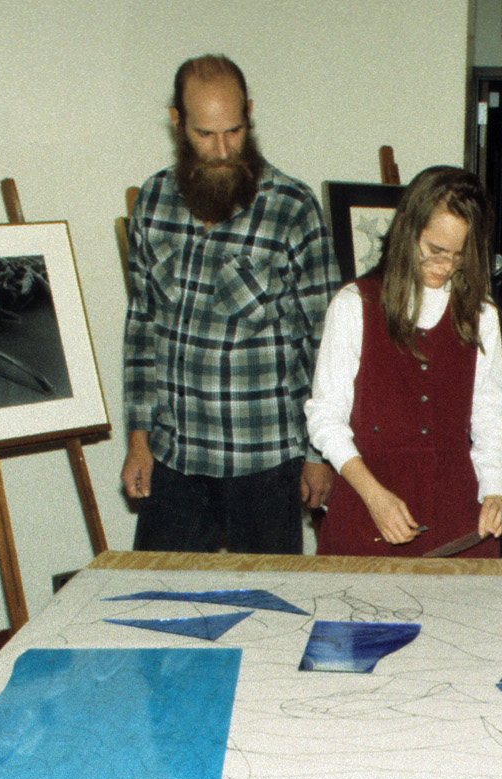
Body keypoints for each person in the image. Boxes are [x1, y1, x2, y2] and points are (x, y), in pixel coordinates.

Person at [120, 54, 339, 553]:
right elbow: (141, 330)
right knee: (157, 596)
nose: (222, 151)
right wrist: (139, 439)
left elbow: (325, 345)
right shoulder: (152, 201)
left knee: (269, 600)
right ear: (177, 122)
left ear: (249, 116)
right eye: (205, 134)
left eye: (234, 131)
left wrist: (317, 454)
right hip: (174, 457)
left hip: (265, 464)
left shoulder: (293, 208)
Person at [305, 166, 502, 557]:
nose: (445, 266)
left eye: (458, 256)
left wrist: (495, 490)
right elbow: (325, 418)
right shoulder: (354, 305)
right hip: (368, 498)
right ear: (405, 228)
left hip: (454, 506)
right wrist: (374, 495)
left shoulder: (481, 315)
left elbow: (490, 416)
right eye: (435, 250)